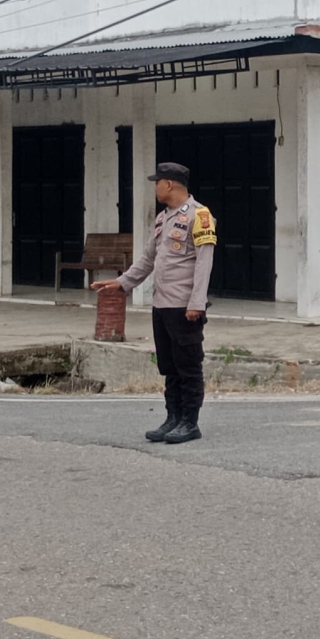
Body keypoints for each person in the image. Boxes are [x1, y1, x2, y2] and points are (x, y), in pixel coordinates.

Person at [94, 162, 217, 445]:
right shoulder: (163, 218)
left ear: (170, 184)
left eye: (157, 182)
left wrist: (196, 302)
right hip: (162, 305)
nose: (155, 187)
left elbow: (204, 263)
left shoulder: (200, 216)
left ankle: (189, 422)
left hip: (184, 307)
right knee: (169, 366)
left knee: (188, 365)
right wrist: (122, 282)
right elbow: (149, 259)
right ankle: (172, 418)